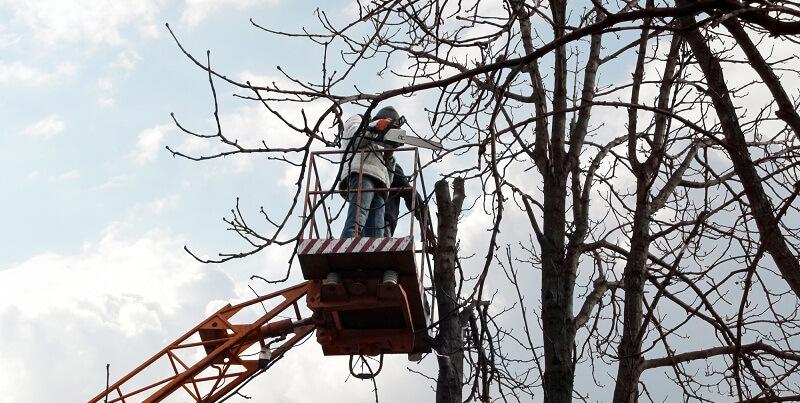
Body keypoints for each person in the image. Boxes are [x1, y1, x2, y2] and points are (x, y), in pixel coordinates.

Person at [339, 106, 400, 238]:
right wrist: (377, 126)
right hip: (362, 173)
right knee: (357, 220)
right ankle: (348, 241)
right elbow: (354, 140)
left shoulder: (380, 142)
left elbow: (388, 176)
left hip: (380, 184)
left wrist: (389, 155)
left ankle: (375, 249)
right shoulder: (358, 120)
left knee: (377, 229)